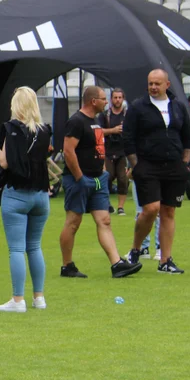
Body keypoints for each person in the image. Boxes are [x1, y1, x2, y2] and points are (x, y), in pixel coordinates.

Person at [59, 86, 143, 280]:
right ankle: (67, 266)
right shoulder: (76, 121)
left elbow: (97, 147)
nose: (107, 102)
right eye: (104, 99)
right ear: (93, 101)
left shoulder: (95, 121)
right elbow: (68, 152)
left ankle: (117, 264)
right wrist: (80, 178)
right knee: (73, 223)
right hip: (79, 180)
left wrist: (103, 172)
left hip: (98, 179)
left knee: (105, 220)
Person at [125, 69, 190, 274]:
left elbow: (188, 138)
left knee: (168, 211)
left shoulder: (179, 107)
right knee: (151, 208)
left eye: (157, 83)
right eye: (150, 83)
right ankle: (136, 249)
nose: (153, 87)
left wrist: (185, 162)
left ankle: (165, 261)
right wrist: (135, 164)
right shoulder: (138, 107)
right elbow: (128, 138)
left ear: (167, 85)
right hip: (147, 165)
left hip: (174, 165)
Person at [0, 87, 52, 313]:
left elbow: (5, 162)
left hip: (17, 193)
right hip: (40, 194)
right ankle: (39, 297)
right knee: (35, 246)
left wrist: (0, 151)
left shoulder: (10, 128)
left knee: (16, 249)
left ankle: (18, 299)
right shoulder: (44, 130)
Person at [97, 88, 130, 215]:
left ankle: (121, 207)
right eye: (115, 97)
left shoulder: (128, 115)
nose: (117, 100)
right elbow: (98, 132)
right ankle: (107, 204)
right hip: (108, 152)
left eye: (120, 97)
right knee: (107, 177)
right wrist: (113, 130)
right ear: (111, 99)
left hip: (123, 152)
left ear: (123, 99)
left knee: (123, 179)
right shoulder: (105, 115)